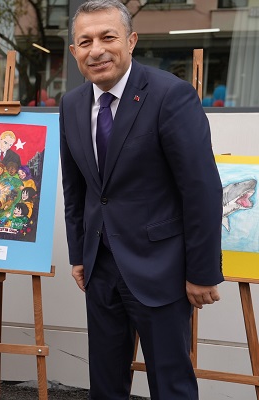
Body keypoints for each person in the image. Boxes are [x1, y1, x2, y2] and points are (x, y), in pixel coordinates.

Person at [59, 1, 223, 399]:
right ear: (75, 51)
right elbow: (76, 189)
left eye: (108, 37)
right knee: (105, 384)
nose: (97, 50)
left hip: (161, 269)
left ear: (131, 41)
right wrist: (79, 255)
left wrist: (202, 272)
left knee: (170, 384)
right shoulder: (72, 103)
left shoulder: (171, 95)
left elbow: (201, 188)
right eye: (85, 41)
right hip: (100, 268)